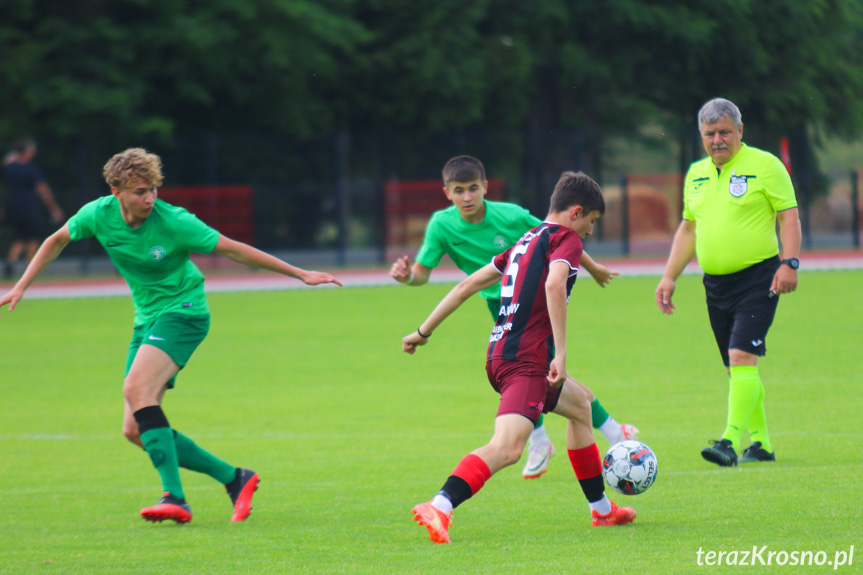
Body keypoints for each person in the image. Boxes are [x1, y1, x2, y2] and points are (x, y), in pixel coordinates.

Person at [0, 148, 343, 523]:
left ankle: (175, 498)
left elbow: (235, 251)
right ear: (116, 191)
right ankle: (235, 478)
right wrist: (22, 286)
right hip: (146, 319)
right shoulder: (96, 215)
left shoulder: (175, 221)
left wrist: (301, 273)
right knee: (134, 429)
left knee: (136, 391)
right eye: (139, 192)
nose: (149, 199)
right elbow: (55, 240)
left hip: (185, 313)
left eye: (152, 190)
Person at [403, 171, 636, 544]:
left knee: (581, 405)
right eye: (591, 222)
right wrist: (560, 352)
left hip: (500, 352)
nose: (590, 232)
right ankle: (440, 505)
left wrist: (422, 331)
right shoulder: (566, 239)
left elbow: (467, 285)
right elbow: (554, 284)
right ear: (576, 212)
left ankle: (603, 511)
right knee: (508, 448)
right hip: (526, 361)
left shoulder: (526, 240)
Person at [655, 98, 801, 467]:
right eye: (709, 134)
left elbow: (788, 217)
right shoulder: (696, 174)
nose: (717, 140)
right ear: (701, 136)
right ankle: (763, 445)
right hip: (715, 285)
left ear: (739, 131)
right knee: (735, 368)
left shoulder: (766, 166)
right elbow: (688, 228)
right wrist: (669, 276)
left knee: (741, 357)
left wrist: (790, 263)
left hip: (759, 276)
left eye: (724, 132)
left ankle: (729, 441)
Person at [2, 139, 64, 278]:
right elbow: (42, 189)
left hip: (12, 206)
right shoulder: (30, 168)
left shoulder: (9, 167)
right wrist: (54, 208)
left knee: (20, 238)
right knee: (33, 238)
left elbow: (6, 165)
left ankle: (10, 262)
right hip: (29, 207)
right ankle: (29, 269)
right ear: (28, 151)